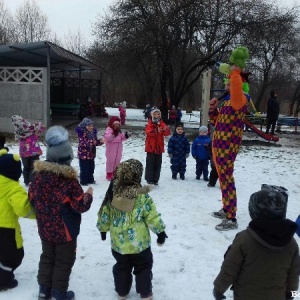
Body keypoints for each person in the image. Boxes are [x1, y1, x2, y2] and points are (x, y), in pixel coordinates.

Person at [28, 125, 94, 300]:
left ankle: (44, 290)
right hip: (66, 232)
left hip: (45, 229)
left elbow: (32, 199)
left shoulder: (37, 178)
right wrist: (88, 196)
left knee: (47, 256)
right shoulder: (69, 182)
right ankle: (58, 293)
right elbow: (80, 206)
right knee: (63, 261)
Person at [96, 159, 167, 300]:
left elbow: (105, 214)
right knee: (144, 267)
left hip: (119, 245)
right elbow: (152, 216)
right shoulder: (142, 196)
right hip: (140, 245)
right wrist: (160, 232)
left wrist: (103, 229)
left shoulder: (112, 193)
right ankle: (145, 293)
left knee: (122, 267)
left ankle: (122, 292)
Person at [213, 189, 300, 300]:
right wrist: (291, 294)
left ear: (254, 212)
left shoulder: (244, 240)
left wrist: (219, 289)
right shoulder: (291, 244)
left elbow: (230, 268)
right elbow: (293, 274)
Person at [209, 46, 249, 231]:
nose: (226, 84)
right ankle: (226, 209)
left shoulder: (240, 100)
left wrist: (234, 72)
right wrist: (212, 109)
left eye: (229, 82)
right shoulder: (228, 102)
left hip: (227, 148)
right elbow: (216, 122)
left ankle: (231, 218)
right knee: (223, 180)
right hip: (219, 147)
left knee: (227, 179)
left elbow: (235, 88)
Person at [0, 149, 36, 292]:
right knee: (13, 255)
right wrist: (38, 213)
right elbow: (23, 209)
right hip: (6, 228)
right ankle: (4, 280)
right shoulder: (14, 188)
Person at [11, 115, 45, 186]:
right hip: (34, 152)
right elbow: (42, 127)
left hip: (24, 153)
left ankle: (26, 181)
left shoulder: (18, 132)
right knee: (34, 167)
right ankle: (32, 182)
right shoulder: (32, 130)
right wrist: (35, 124)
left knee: (26, 167)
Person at [144, 108, 170, 185]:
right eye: (155, 114)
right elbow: (148, 132)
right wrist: (156, 131)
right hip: (151, 147)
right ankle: (149, 179)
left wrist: (165, 129)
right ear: (152, 115)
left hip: (159, 147)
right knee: (150, 164)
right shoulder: (149, 124)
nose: (157, 116)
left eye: (158, 114)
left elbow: (167, 133)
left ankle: (156, 179)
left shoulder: (162, 123)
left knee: (158, 164)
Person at [75, 118, 103, 185]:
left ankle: (90, 179)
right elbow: (83, 142)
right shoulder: (81, 133)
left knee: (91, 168)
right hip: (83, 155)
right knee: (84, 169)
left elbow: (95, 142)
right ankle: (84, 181)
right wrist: (92, 142)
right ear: (84, 126)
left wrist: (100, 142)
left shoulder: (93, 133)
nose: (91, 127)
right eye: (89, 126)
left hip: (91, 154)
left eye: (92, 126)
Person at [103, 116, 129, 181]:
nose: (117, 126)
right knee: (110, 161)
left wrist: (126, 136)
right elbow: (107, 137)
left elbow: (122, 137)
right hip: (111, 148)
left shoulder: (119, 131)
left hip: (119, 147)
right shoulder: (109, 130)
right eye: (115, 124)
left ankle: (115, 172)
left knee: (117, 160)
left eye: (118, 124)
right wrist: (113, 135)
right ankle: (109, 173)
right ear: (112, 124)